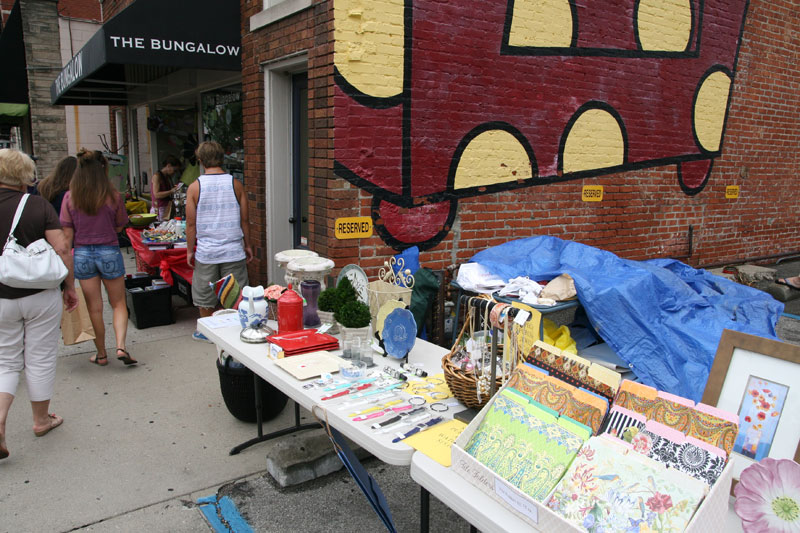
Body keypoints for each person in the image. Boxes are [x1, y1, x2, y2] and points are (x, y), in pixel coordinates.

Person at [0, 149, 78, 460]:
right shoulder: (35, 205)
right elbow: (62, 248)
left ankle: (1, 420)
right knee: (40, 358)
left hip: (1, 297)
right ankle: (41, 420)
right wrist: (69, 287)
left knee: (6, 361)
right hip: (41, 295)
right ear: (24, 176)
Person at [61, 149, 137, 366]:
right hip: (109, 251)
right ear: (102, 169)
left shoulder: (70, 197)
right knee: (118, 303)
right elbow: (122, 223)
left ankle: (101, 354)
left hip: (83, 253)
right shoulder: (112, 195)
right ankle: (121, 346)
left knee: (94, 307)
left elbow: (67, 235)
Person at [186, 141, 253, 342]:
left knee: (205, 295)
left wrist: (190, 250)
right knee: (235, 294)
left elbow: (191, 224)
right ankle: (234, 332)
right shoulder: (236, 184)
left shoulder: (194, 187)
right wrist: (247, 245)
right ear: (222, 158)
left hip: (207, 252)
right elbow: (245, 220)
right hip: (233, 249)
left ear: (200, 160)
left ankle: (208, 333)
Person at [150, 154, 182, 221]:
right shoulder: (157, 176)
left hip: (166, 208)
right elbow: (156, 194)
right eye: (174, 170)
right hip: (159, 209)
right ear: (168, 166)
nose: (174, 173)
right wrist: (171, 191)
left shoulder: (167, 177)